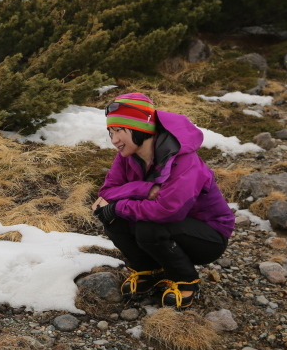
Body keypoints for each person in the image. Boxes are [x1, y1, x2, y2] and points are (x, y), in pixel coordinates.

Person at [92, 93, 235, 309]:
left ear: (141, 129)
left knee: (146, 226)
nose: (114, 141)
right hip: (171, 226)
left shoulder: (184, 160)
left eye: (119, 131)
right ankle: (149, 272)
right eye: (111, 132)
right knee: (111, 219)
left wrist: (119, 206)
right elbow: (107, 191)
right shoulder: (126, 156)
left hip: (208, 236)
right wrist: (147, 188)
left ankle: (186, 281)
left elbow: (168, 211)